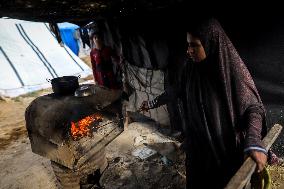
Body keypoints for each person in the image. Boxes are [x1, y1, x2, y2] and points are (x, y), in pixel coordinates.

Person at [140, 18, 269, 189]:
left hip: (223, 147)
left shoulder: (231, 71)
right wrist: (152, 103)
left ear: (211, 43)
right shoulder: (191, 68)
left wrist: (253, 140)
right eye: (188, 45)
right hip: (198, 145)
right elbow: (175, 90)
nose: (189, 51)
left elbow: (254, 108)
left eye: (194, 45)